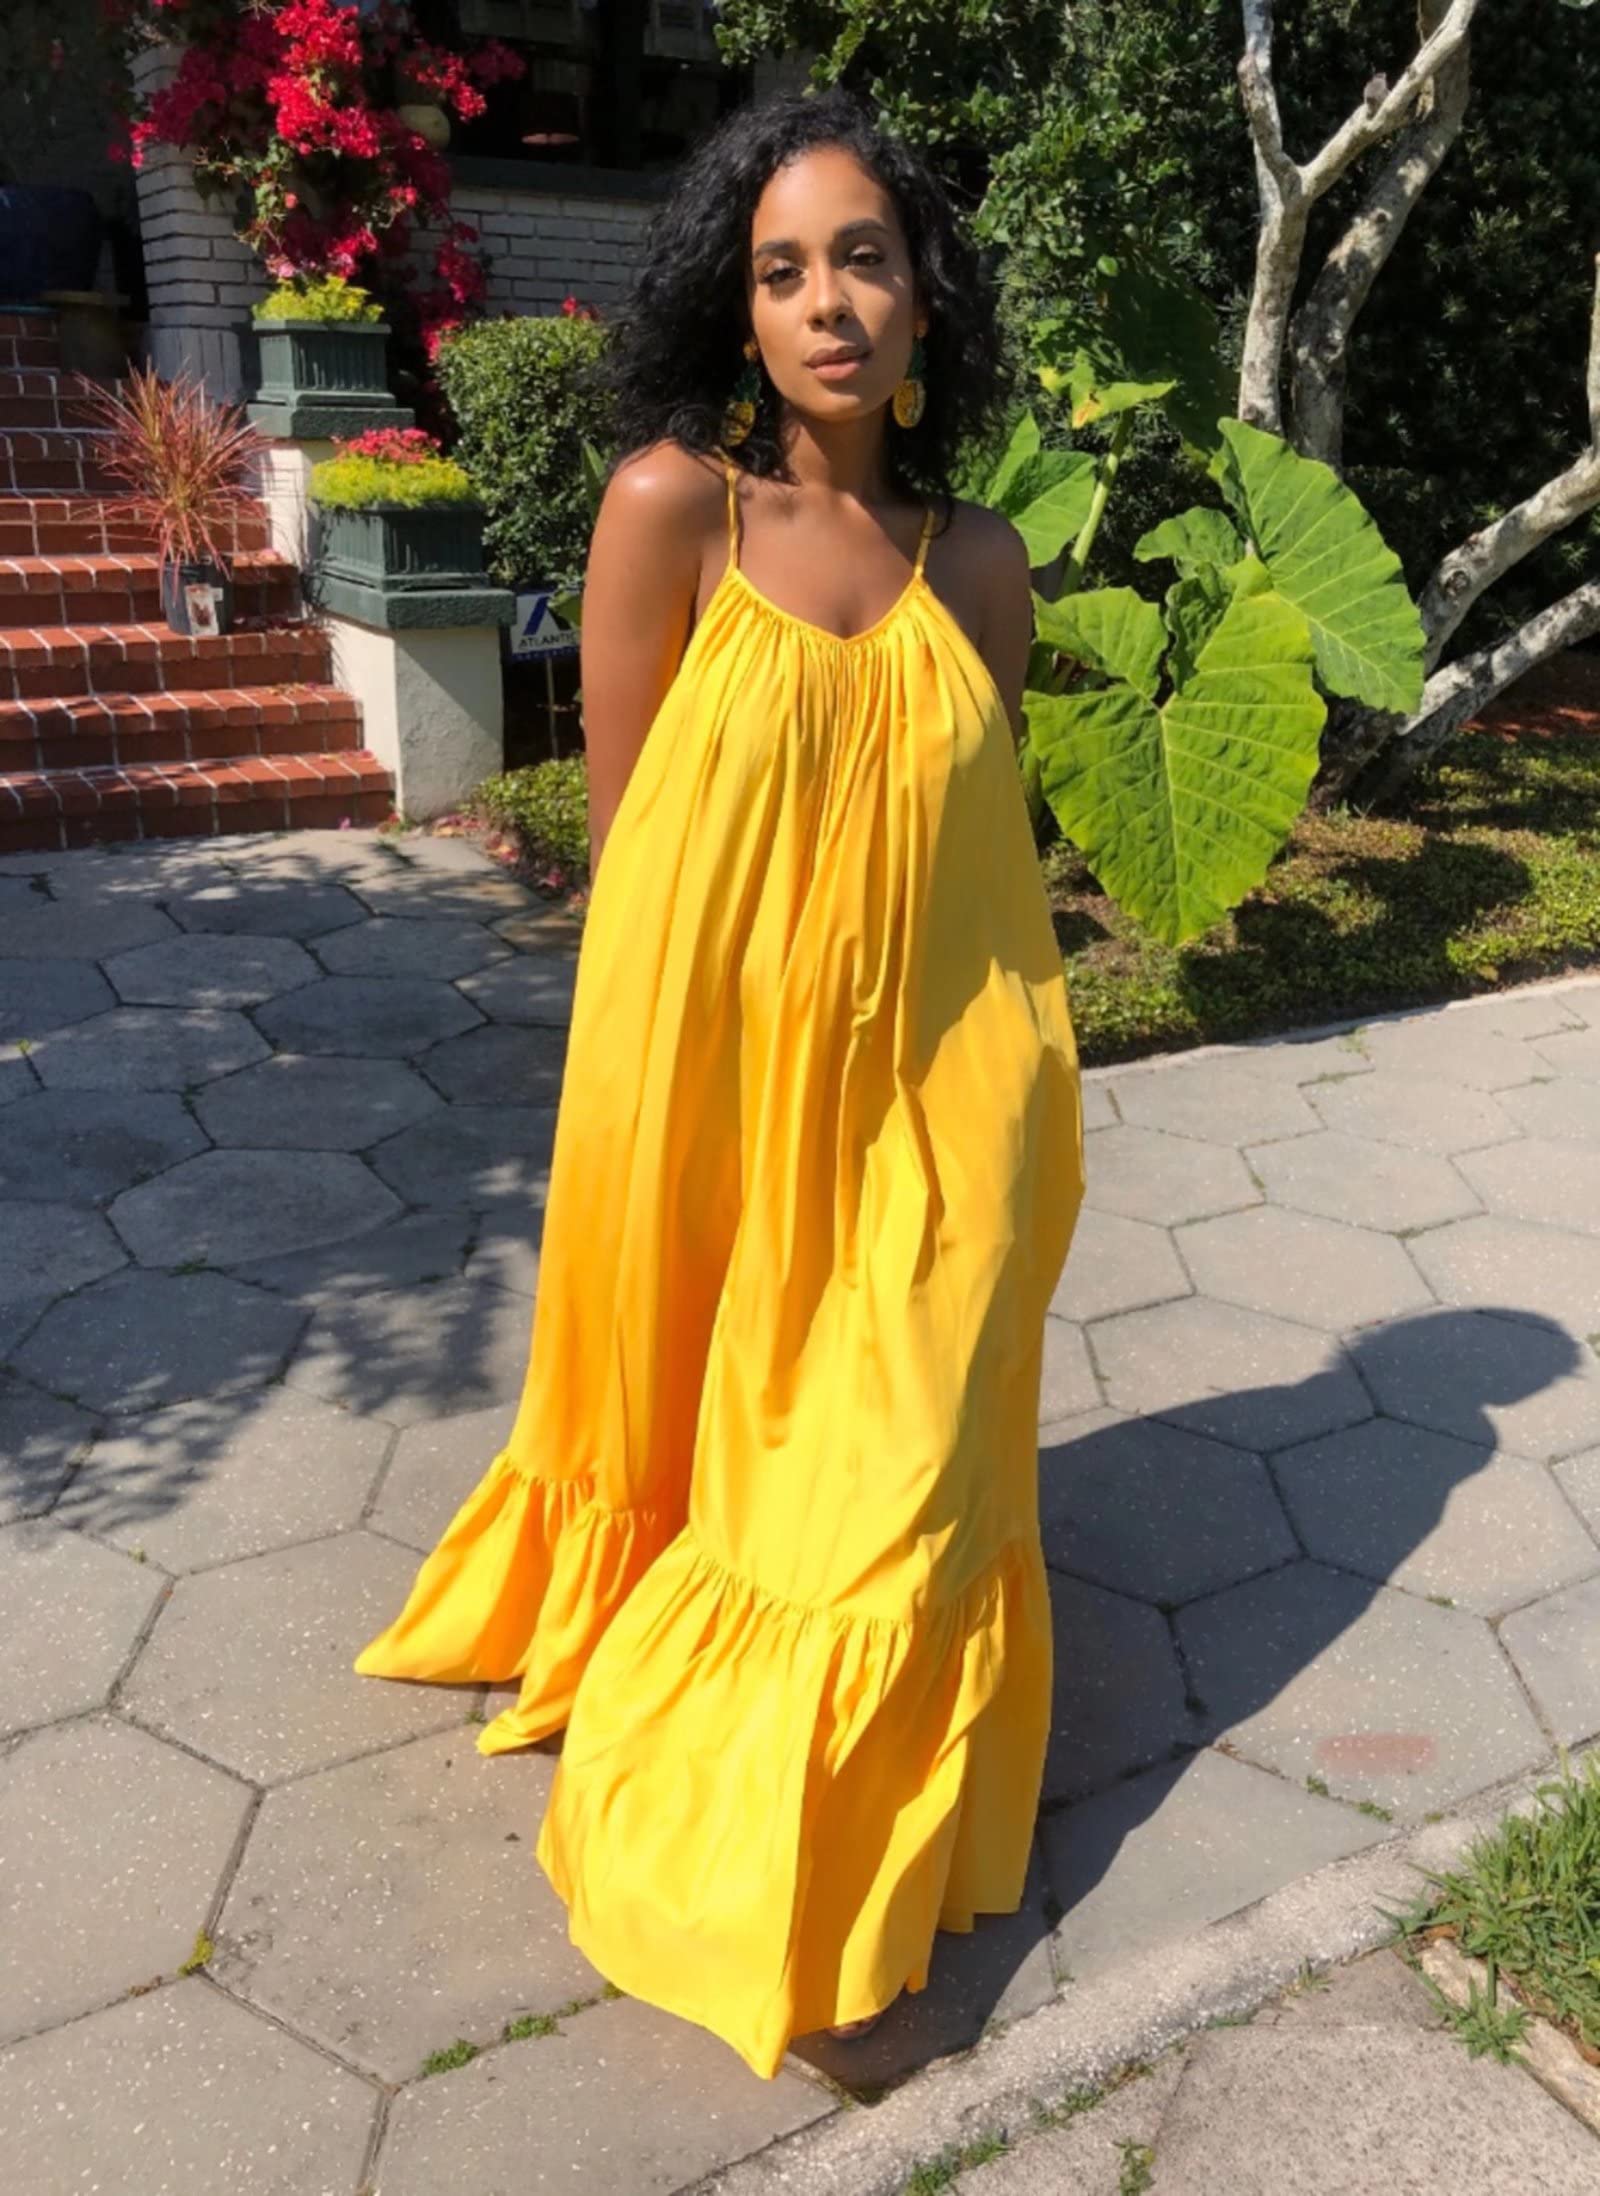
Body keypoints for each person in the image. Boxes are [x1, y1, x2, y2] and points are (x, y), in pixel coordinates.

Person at [354, 85, 1085, 2078]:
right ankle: (727, 1749)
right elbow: (635, 843)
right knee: (703, 1404)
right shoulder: (672, 510)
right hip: (705, 1073)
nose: (827, 302)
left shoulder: (979, 561)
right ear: (735, 308)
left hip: (928, 1104)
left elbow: (965, 855)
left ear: (924, 295)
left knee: (892, 1460)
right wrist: (651, 1118)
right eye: (782, 269)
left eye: (863, 257)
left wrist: (1010, 1091)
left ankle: (823, 1848)